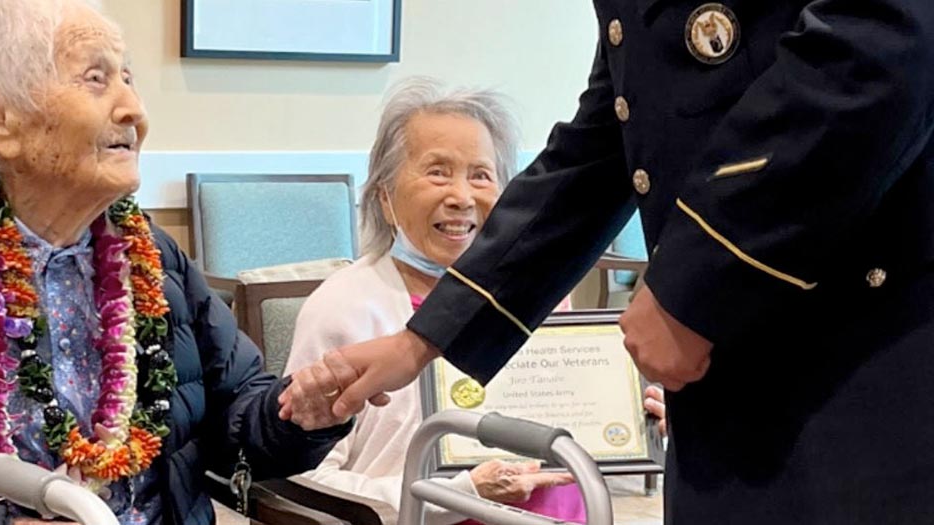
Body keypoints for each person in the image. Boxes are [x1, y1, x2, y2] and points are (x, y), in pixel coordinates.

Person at [282, 1, 934, 524]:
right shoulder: (347, 299)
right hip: (730, 402)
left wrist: (691, 284)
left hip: (863, 382)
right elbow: (600, 146)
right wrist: (423, 339)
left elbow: (880, 49)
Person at [0, 1, 349, 523]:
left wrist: (300, 413)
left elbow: (233, 418)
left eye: (128, 78)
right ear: (0, 121)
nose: (134, 109)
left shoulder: (152, 256)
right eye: (95, 78)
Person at [282, 79, 588, 525]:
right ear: (385, 197)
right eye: (437, 172)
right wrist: (462, 493)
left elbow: (580, 434)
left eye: (481, 175)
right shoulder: (341, 307)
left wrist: (642, 425)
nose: (461, 197)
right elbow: (308, 480)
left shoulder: (542, 300)